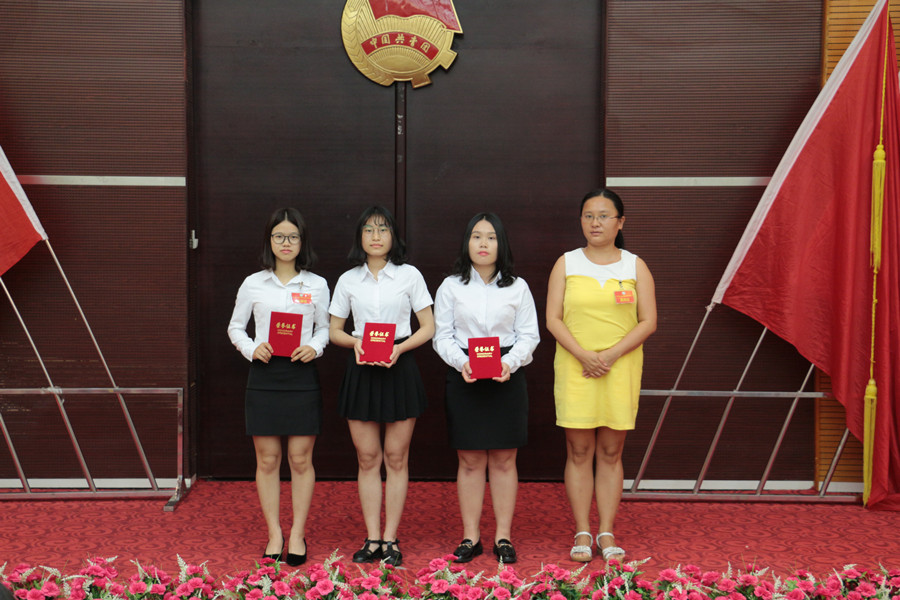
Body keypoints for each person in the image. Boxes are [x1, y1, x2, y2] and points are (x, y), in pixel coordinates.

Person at [546, 188, 657, 564]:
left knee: (611, 452)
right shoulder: (566, 263)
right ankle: (582, 530)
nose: (596, 223)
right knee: (578, 450)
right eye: (589, 216)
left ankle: (606, 530)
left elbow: (648, 321)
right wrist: (584, 355)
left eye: (604, 216)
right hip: (576, 366)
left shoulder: (634, 266)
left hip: (619, 367)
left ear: (620, 222)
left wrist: (609, 355)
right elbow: (553, 319)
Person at [329, 205, 435, 567]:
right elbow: (334, 331)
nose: (376, 236)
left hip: (399, 365)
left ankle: (391, 538)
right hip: (361, 368)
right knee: (367, 458)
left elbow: (428, 326)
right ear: (359, 236)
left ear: (394, 236)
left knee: (396, 457)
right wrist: (355, 343)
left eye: (383, 229)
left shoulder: (409, 276)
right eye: (369, 230)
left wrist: (400, 348)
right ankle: (372, 537)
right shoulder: (348, 280)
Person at [433, 213, 539, 564]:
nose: (483, 244)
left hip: (506, 373)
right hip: (464, 372)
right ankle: (471, 537)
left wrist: (510, 363)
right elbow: (442, 336)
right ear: (467, 242)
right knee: (470, 459)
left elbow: (529, 335)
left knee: (505, 459)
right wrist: (459, 361)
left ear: (501, 244)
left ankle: (503, 537)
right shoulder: (451, 286)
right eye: (476, 236)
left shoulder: (517, 287)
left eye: (491, 237)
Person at [227, 207, 330, 567]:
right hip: (265, 375)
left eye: (293, 236)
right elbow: (235, 327)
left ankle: (298, 532)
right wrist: (251, 347)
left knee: (300, 459)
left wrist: (314, 347)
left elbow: (324, 328)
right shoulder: (253, 283)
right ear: (269, 241)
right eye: (279, 236)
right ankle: (275, 532)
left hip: (301, 375)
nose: (286, 243)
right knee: (268, 459)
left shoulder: (316, 285)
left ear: (303, 242)